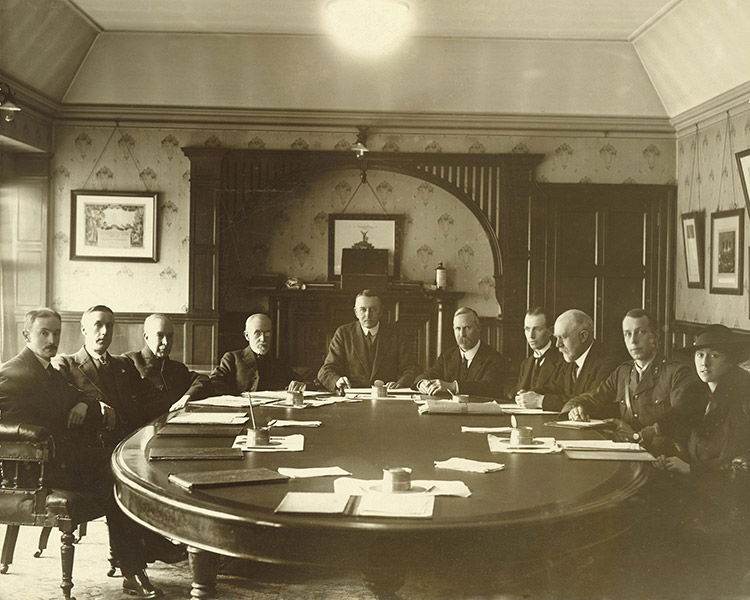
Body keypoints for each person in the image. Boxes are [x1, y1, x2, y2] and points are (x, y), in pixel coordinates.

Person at [0, 308, 162, 598]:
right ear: (27, 335)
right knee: (120, 477)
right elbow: (15, 426)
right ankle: (133, 568)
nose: (52, 339)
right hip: (37, 469)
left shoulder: (47, 368)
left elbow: (73, 394)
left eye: (57, 333)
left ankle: (139, 561)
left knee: (127, 469)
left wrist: (87, 403)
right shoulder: (13, 372)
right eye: (44, 333)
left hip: (63, 457)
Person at [563, 309, 701, 453]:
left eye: (640, 332)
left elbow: (680, 416)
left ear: (655, 336)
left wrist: (640, 435)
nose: (633, 341)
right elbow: (595, 397)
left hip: (662, 457)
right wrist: (576, 408)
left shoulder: (676, 372)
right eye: (627, 334)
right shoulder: (624, 371)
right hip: (629, 451)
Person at [53, 305, 165, 442]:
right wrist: (89, 403)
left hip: (126, 444)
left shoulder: (124, 364)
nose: (105, 331)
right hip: (87, 448)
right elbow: (58, 399)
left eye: (109, 326)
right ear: (84, 330)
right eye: (98, 325)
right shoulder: (66, 364)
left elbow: (148, 398)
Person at [655, 324, 750, 474]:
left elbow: (732, 463)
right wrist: (668, 458)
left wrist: (691, 469)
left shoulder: (742, 397)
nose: (704, 363)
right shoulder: (697, 394)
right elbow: (686, 443)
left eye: (714, 355)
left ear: (730, 361)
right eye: (700, 355)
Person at [317, 289, 419, 392]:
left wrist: (400, 383)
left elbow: (411, 368)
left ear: (381, 311)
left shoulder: (396, 334)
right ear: (356, 312)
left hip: (387, 395)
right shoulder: (343, 333)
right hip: (353, 397)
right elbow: (326, 370)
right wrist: (337, 380)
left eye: (373, 309)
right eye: (362, 309)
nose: (368, 315)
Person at [125, 313, 212, 412]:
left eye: (170, 336)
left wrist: (187, 397)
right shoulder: (129, 362)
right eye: (160, 335)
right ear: (146, 337)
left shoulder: (177, 368)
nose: (166, 342)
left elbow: (202, 379)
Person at [536, 308, 619, 411]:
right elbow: (553, 388)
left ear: (583, 336)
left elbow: (587, 402)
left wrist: (541, 401)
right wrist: (531, 393)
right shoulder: (570, 358)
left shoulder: (607, 362)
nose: (558, 344)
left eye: (563, 337)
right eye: (556, 338)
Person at [414, 306, 504, 398]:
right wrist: (422, 383)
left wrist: (453, 386)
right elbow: (424, 376)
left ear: (478, 328)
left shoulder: (493, 358)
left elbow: (489, 387)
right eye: (458, 329)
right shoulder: (447, 356)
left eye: (467, 328)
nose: (462, 334)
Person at [210, 313, 303, 395]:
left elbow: (302, 382)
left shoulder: (278, 363)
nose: (263, 339)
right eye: (257, 333)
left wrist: (299, 385)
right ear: (247, 336)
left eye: (267, 333)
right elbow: (215, 382)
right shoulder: (232, 358)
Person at [510, 306, 565, 409]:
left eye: (537, 329)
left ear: (550, 331)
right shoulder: (526, 363)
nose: (531, 335)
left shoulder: (562, 360)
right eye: (527, 329)